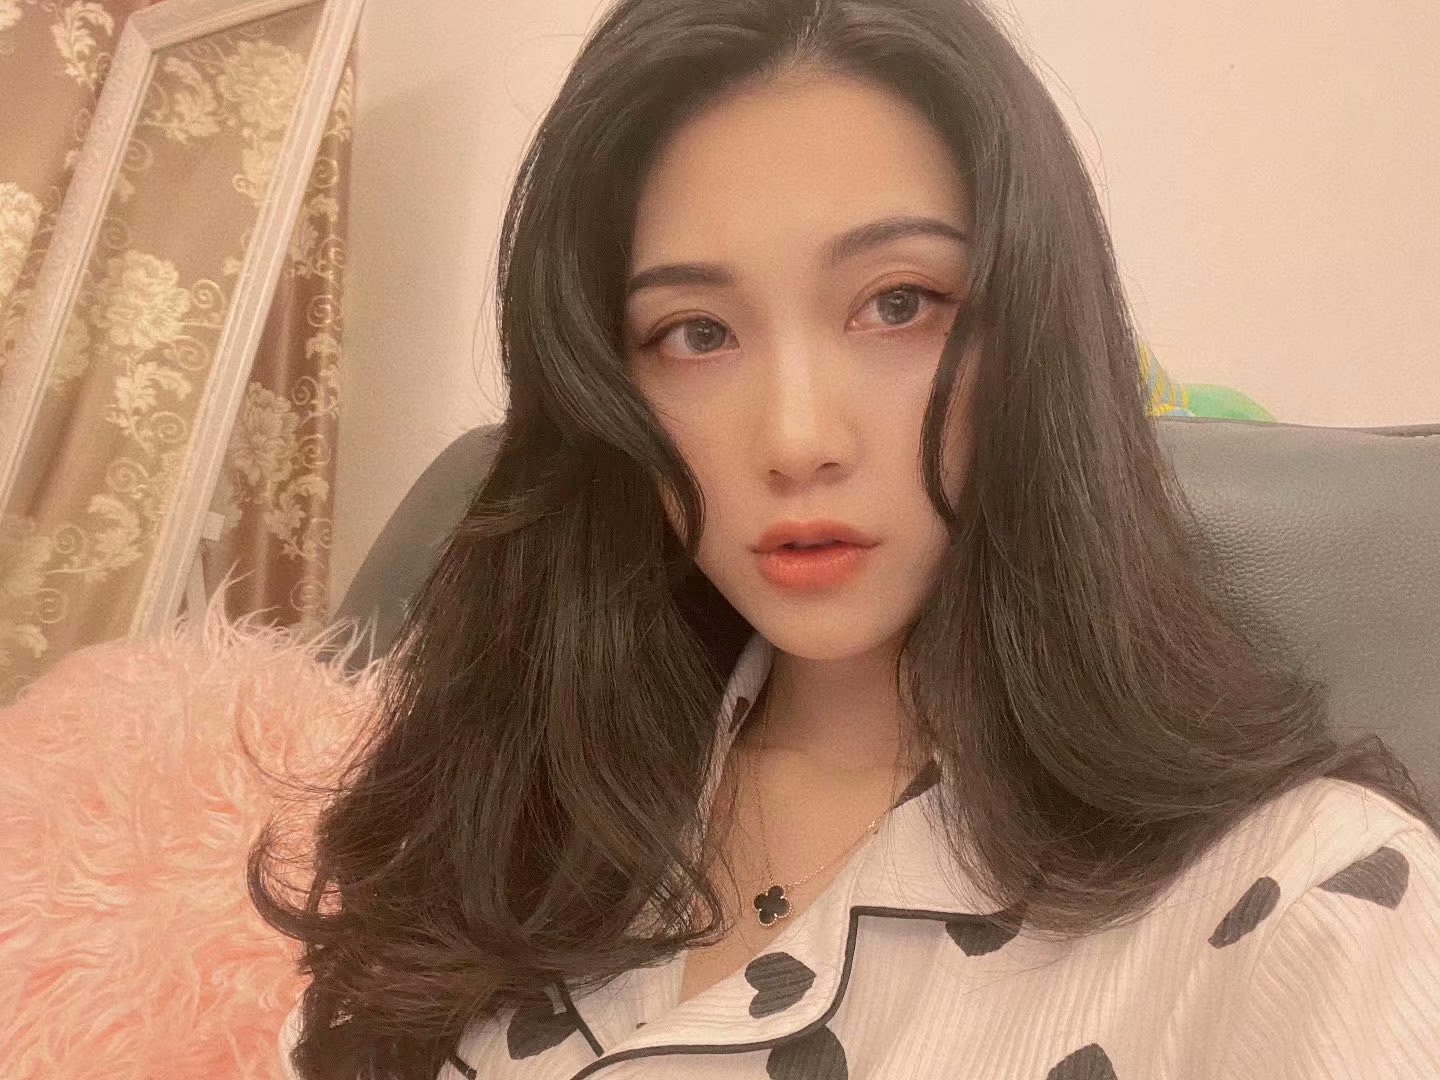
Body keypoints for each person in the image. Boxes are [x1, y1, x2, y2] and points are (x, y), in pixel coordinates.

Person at [253, 0, 1440, 1077]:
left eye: (898, 304)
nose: (797, 438)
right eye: (696, 332)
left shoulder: (1304, 906)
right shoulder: (498, 811)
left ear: (1037, 338)